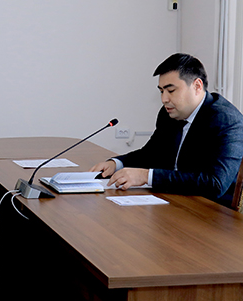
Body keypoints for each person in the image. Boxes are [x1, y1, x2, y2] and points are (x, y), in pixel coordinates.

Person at [90, 53, 243, 205]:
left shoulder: (227, 120)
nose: (164, 99)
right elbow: (151, 153)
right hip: (174, 199)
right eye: (161, 91)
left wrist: (147, 176)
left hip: (212, 209)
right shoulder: (169, 114)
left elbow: (215, 184)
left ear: (197, 86)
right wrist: (117, 164)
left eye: (171, 91)